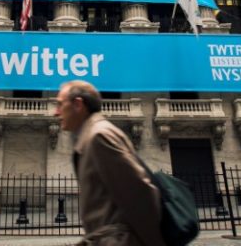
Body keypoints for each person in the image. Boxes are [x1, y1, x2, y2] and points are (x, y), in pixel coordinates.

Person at [55, 81, 163, 246]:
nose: (56, 112)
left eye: (60, 104)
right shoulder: (90, 136)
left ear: (78, 104)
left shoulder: (99, 136)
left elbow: (139, 195)